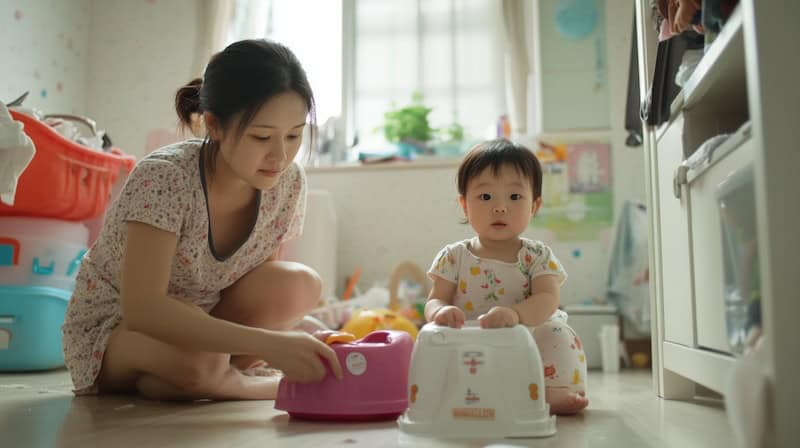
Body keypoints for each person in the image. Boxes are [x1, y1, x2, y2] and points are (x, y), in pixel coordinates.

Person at [62, 39, 343, 401]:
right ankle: (241, 384)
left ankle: (204, 378)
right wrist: (271, 345)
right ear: (215, 125)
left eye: (294, 135)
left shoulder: (286, 183)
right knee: (197, 364)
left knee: (300, 284)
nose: (280, 155)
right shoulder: (165, 178)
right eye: (262, 136)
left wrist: (280, 340)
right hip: (121, 328)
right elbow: (143, 309)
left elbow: (260, 279)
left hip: (203, 320)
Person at [425, 139, 589, 415]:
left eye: (514, 197)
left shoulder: (537, 255)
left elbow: (548, 298)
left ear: (534, 206)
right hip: (471, 338)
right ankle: (444, 391)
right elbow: (434, 299)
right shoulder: (454, 256)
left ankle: (554, 390)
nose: (500, 208)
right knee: (432, 338)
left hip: (527, 335)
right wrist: (441, 311)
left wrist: (516, 314)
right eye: (486, 197)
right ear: (465, 205)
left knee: (557, 331)